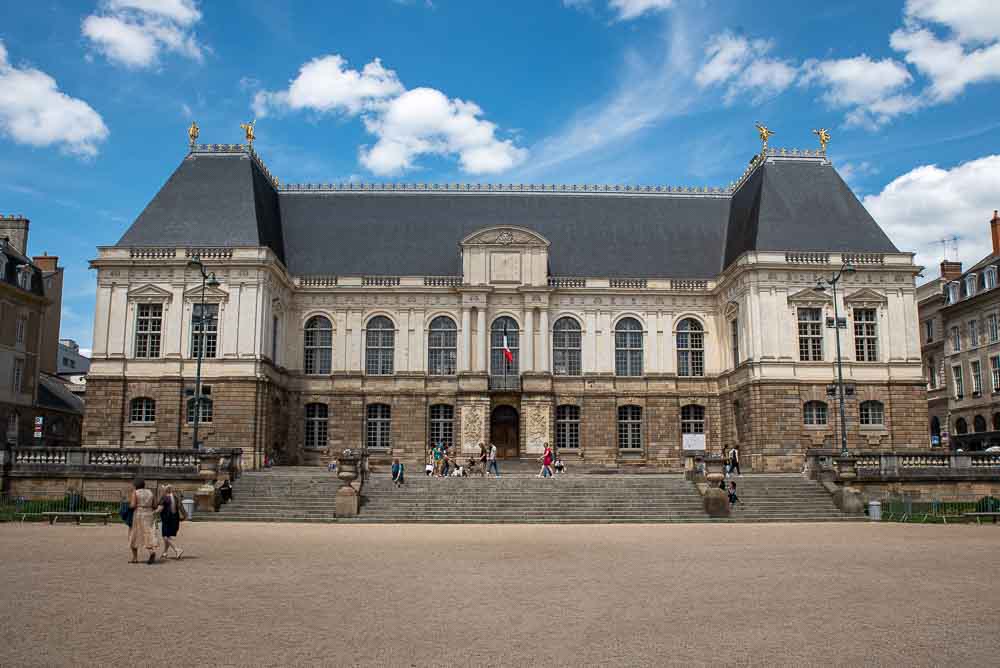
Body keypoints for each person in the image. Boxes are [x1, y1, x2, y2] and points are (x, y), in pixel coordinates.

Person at [128, 478, 159, 565]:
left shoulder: (135, 492)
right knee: (148, 533)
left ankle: (135, 558)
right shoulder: (150, 492)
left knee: (135, 534)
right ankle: (151, 552)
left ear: (135, 485)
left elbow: (133, 505)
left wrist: (128, 506)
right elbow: (155, 505)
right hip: (149, 514)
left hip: (139, 514)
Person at [158, 485, 185, 560]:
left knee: (165, 536)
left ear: (165, 490)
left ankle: (177, 549)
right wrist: (185, 515)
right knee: (168, 535)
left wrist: (153, 513)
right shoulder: (175, 497)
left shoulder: (164, 498)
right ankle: (165, 552)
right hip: (175, 519)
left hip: (167, 519)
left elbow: (160, 509)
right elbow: (181, 506)